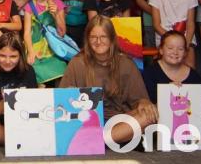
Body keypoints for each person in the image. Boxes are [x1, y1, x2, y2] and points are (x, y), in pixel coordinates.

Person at [60, 16, 157, 144]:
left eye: (103, 37)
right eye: (93, 37)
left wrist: (144, 102)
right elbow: (63, 100)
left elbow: (140, 100)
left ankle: (97, 141)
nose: (98, 41)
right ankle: (106, 139)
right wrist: (71, 94)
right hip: (87, 124)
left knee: (151, 114)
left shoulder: (126, 63)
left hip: (119, 122)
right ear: (87, 39)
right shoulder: (77, 63)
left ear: (111, 38)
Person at [149, 0, 198, 68]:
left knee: (190, 66)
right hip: (164, 38)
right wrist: (172, 40)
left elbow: (190, 24)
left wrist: (185, 44)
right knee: (166, 68)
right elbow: (156, 25)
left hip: (186, 38)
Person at [23, 0, 68, 86]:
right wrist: (30, 52)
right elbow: (27, 33)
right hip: (36, 48)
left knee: (61, 73)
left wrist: (56, 15)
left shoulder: (58, 4)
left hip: (54, 48)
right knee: (37, 77)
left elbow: (62, 32)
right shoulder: (29, 7)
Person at [142, 31, 201, 104]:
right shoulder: (149, 74)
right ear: (161, 50)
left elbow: (199, 104)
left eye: (180, 49)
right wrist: (166, 92)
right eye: (170, 48)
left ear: (185, 53)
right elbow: (144, 103)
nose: (175, 52)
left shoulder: (194, 76)